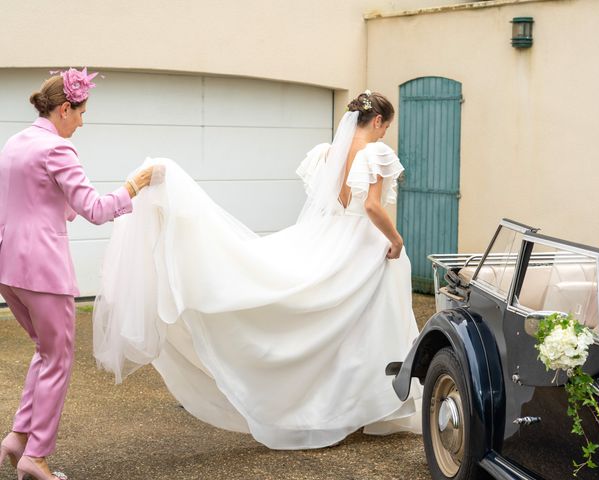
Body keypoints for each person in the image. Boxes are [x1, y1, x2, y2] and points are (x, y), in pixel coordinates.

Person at [93, 90, 422, 449]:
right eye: (385, 127)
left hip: (332, 235)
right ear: (377, 121)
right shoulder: (376, 152)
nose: (383, 134)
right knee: (368, 327)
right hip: (364, 245)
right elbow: (372, 206)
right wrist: (396, 238)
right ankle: (369, 404)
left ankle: (344, 404)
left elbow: (329, 204)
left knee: (338, 323)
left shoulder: (327, 154)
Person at [0, 68, 155, 480]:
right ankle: (36, 458)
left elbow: (35, 200)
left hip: (9, 268)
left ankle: (18, 439)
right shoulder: (57, 150)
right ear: (65, 108)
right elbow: (96, 210)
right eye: (82, 113)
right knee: (59, 359)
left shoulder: (15, 143)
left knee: (44, 352)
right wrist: (133, 186)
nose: (83, 123)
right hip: (43, 270)